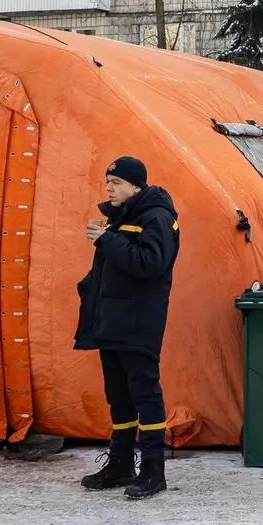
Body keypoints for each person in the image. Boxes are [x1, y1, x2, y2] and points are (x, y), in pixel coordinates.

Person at [74, 156, 180, 499]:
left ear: (137, 186)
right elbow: (117, 267)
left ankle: (153, 469)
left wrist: (106, 241)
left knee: (145, 395)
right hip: (113, 321)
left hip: (138, 322)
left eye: (116, 182)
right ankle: (121, 463)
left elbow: (150, 264)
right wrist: (90, 285)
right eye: (107, 180)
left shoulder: (157, 217)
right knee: (118, 396)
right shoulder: (121, 218)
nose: (109, 187)